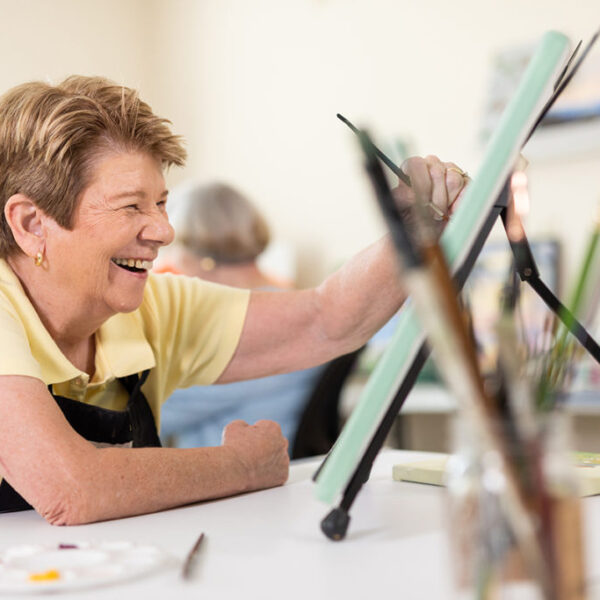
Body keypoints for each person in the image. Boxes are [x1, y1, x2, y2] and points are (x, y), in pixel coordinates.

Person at [0, 75, 466, 525]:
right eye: (131, 206)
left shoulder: (152, 309)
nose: (165, 231)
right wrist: (240, 466)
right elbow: (69, 488)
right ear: (31, 224)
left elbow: (325, 320)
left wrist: (412, 232)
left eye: (161, 203)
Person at [157, 181, 326, 450]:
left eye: (172, 248)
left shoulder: (242, 324)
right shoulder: (289, 303)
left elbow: (153, 415)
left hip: (238, 482)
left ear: (199, 257)